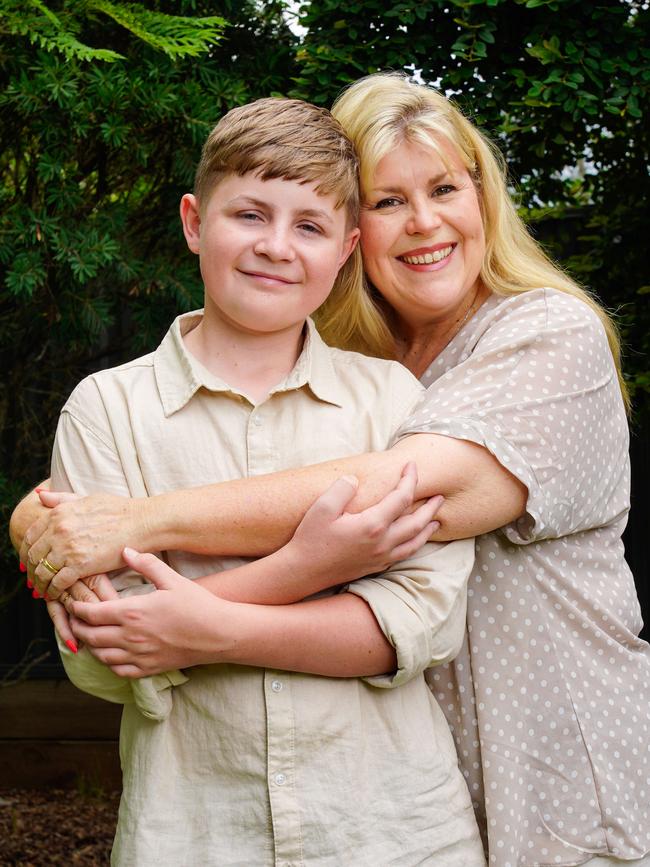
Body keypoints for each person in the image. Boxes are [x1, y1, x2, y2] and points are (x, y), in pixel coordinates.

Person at [13, 73, 650, 866]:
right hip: (359, 789)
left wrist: (142, 533)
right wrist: (40, 521)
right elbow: (105, 652)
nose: (423, 221)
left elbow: (416, 521)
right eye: (387, 200)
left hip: (546, 767)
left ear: (485, 198)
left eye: (446, 188)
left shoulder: (539, 338)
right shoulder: (372, 368)